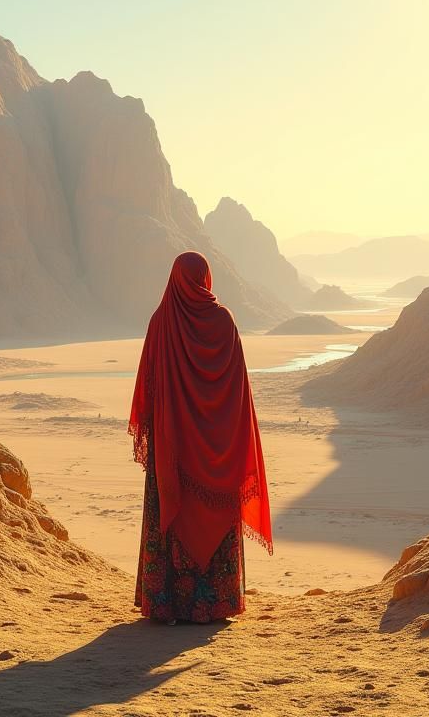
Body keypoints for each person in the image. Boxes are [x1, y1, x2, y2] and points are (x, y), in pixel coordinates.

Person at [129, 251, 272, 624]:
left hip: (172, 447)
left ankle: (167, 604)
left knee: (172, 512)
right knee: (217, 510)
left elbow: (147, 388)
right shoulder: (223, 321)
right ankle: (216, 603)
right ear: (206, 278)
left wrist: (164, 427)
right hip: (219, 449)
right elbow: (239, 392)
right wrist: (224, 431)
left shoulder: (161, 322)